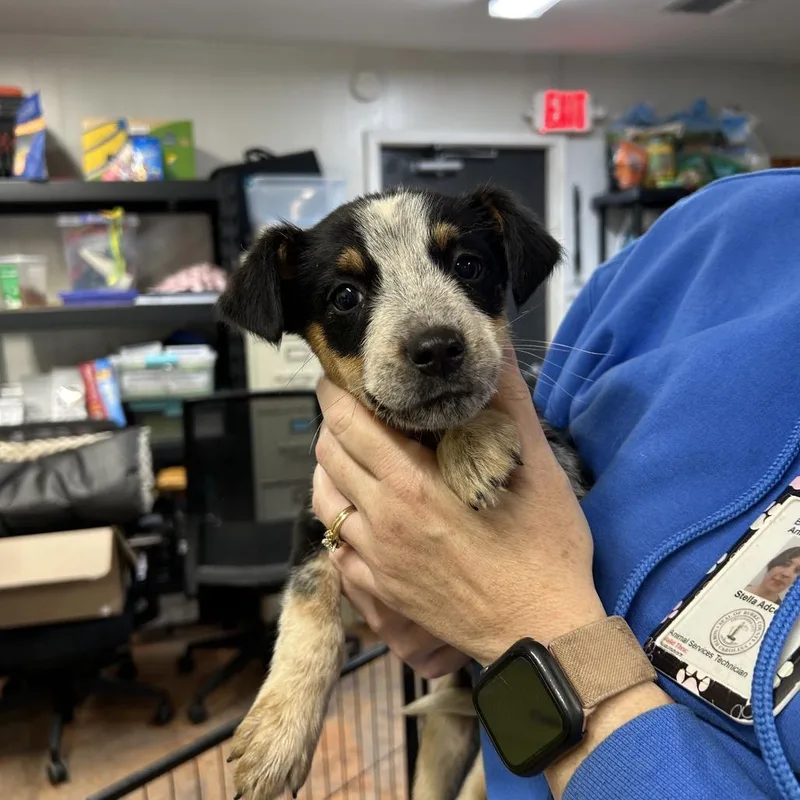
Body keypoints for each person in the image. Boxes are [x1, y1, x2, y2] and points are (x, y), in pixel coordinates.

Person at [311, 168, 800, 799]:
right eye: (348, 298)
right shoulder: (696, 237)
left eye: (464, 268)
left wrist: (527, 629)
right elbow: (533, 440)